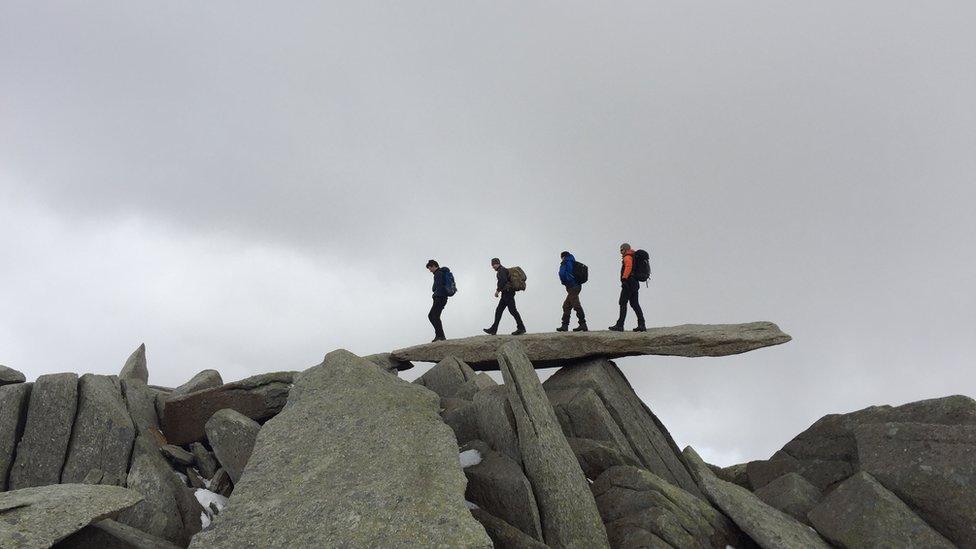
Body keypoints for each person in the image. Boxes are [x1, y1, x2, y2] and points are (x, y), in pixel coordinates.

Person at [483, 258, 526, 336]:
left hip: (508, 292)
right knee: (500, 310)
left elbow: (503, 281)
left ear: (498, 263)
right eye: (492, 265)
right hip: (507, 293)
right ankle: (494, 329)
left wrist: (497, 291)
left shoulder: (501, 270)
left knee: (512, 310)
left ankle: (521, 328)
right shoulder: (502, 270)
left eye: (494, 264)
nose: (493, 266)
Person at [609, 243, 646, 332]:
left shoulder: (627, 257)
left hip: (629, 283)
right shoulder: (633, 256)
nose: (620, 252)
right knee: (634, 304)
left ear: (625, 249)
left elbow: (628, 266)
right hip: (635, 283)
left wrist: (624, 278)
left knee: (622, 302)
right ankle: (641, 324)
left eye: (621, 250)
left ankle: (620, 325)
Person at [557, 251, 587, 332]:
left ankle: (583, 324)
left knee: (576, 304)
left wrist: (565, 281)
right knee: (566, 305)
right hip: (577, 285)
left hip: (572, 286)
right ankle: (565, 326)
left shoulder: (565, 261)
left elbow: (562, 273)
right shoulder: (572, 261)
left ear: (563, 256)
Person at [426, 259, 451, 341]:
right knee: (434, 316)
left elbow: (437, 287)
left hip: (439, 298)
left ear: (433, 266)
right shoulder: (440, 273)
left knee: (433, 316)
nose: (429, 270)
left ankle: (440, 336)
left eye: (430, 268)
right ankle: (440, 335)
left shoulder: (438, 273)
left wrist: (435, 294)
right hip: (441, 298)